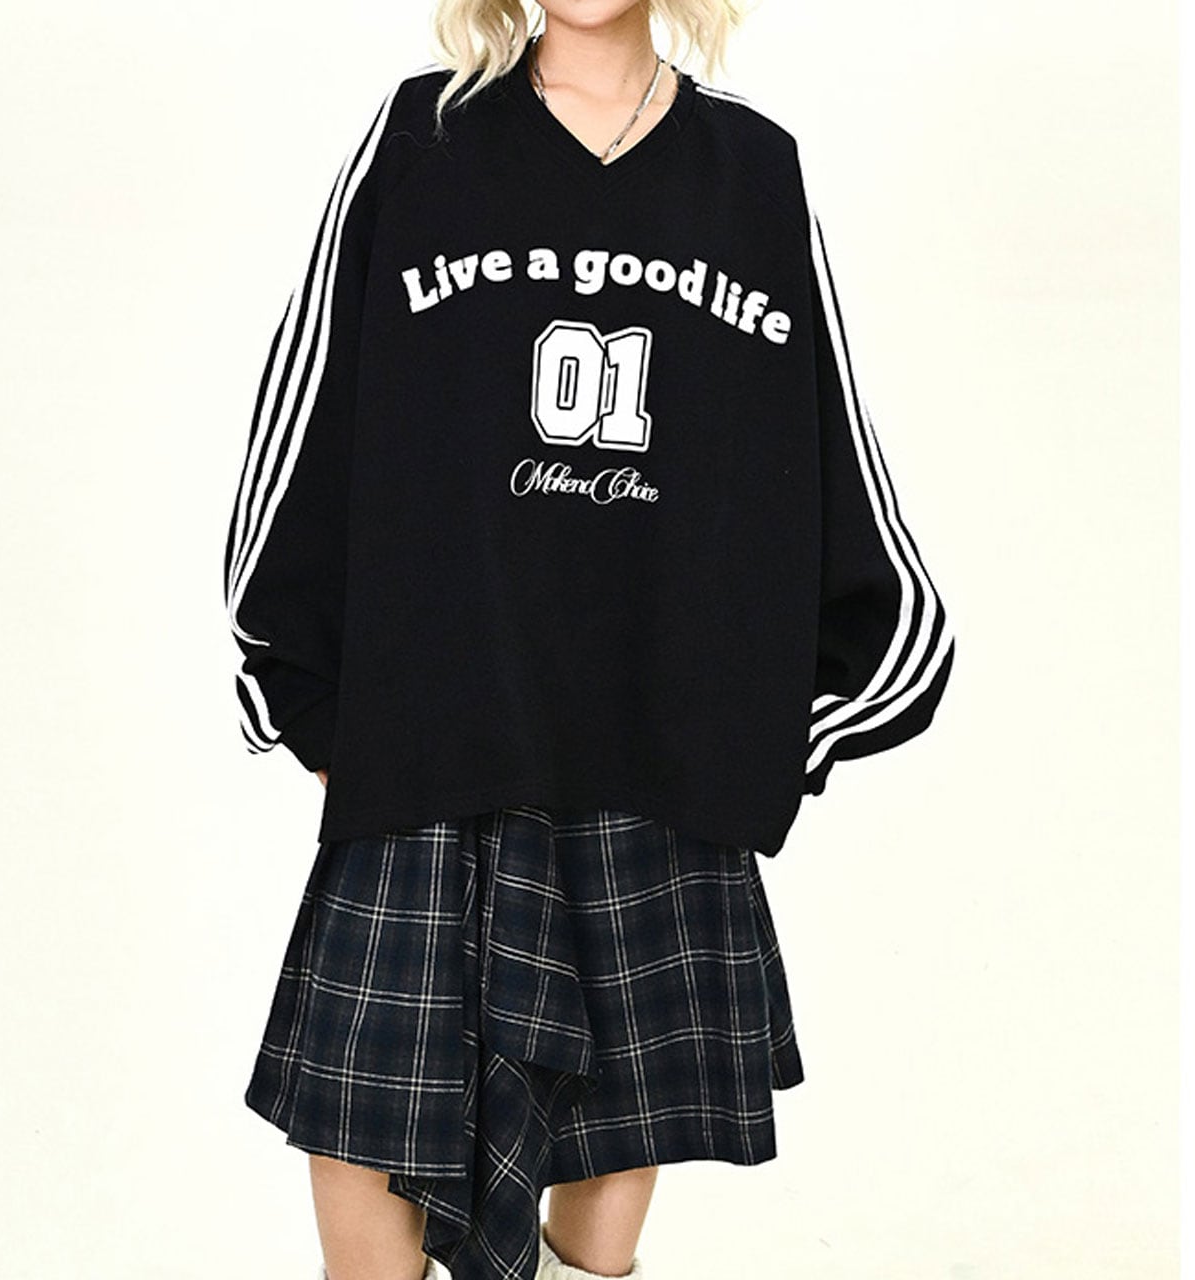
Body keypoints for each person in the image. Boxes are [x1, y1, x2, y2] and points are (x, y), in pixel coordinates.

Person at [221, 2, 956, 1278]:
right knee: (363, 1188)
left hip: (654, 777)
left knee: (595, 1238)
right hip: (433, 750)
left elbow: (832, 468)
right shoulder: (422, 137)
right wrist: (313, 701)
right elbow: (305, 421)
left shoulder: (751, 171)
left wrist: (758, 742)